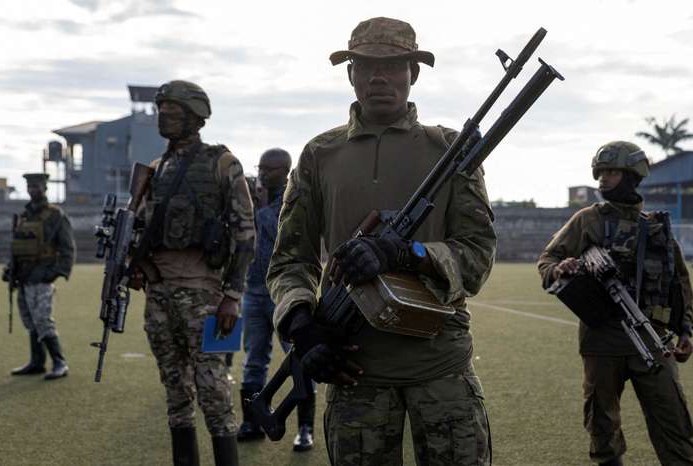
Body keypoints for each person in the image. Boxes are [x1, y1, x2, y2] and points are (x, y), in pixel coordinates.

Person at [267, 17, 496, 466]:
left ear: (413, 72)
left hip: (441, 367)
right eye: (366, 65)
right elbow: (289, 261)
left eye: (393, 66)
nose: (378, 77)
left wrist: (407, 253)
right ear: (350, 73)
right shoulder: (319, 154)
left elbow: (477, 258)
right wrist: (301, 325)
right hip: (355, 371)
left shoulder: (451, 150)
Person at [537, 141, 693, 466]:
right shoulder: (587, 220)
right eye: (601, 172)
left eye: (611, 172)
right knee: (602, 427)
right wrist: (562, 268)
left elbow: (679, 283)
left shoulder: (656, 227)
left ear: (631, 175)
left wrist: (685, 328)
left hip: (653, 340)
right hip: (602, 341)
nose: (603, 179)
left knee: (675, 423)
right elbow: (547, 260)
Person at [134, 80, 255, 466]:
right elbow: (142, 230)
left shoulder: (222, 163)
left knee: (214, 390)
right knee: (175, 391)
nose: (164, 117)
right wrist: (136, 266)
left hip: (208, 296)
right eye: (161, 110)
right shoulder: (156, 169)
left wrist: (233, 296)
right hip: (160, 295)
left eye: (173, 111)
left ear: (196, 117)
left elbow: (245, 233)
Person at [236, 148, 317, 451]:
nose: (262, 174)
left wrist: (258, 209)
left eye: (268, 169)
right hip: (252, 292)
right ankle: (251, 421)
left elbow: (279, 234)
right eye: (260, 168)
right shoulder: (255, 200)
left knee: (301, 360)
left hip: (285, 294)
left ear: (284, 170)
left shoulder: (291, 198)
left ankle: (305, 429)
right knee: (254, 361)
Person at [3, 173, 75, 380]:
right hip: (24, 277)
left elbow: (68, 248)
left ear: (45, 187)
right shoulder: (24, 216)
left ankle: (60, 362)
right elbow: (17, 247)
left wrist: (55, 273)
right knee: (30, 321)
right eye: (29, 186)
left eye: (36, 186)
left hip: (42, 276)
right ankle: (37, 362)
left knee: (43, 320)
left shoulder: (55, 215)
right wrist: (11, 269)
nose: (32, 189)